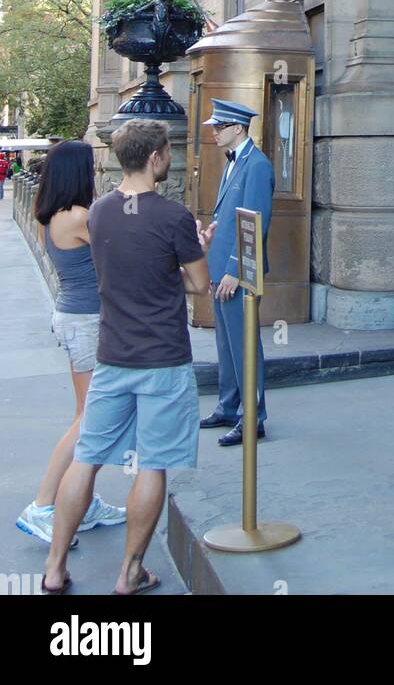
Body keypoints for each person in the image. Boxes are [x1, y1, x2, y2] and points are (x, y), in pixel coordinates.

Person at [41, 120, 212, 595]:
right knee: (153, 464)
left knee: (88, 458)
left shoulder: (98, 213)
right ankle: (129, 572)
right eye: (166, 154)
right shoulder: (174, 216)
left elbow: (126, 272)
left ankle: (54, 568)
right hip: (162, 359)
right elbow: (198, 285)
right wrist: (200, 250)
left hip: (112, 355)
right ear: (157, 157)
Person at [16, 141, 126, 545]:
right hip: (86, 321)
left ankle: (84, 500)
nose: (97, 171)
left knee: (88, 414)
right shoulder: (79, 216)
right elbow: (120, 253)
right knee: (87, 420)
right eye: (92, 165)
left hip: (73, 317)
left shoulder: (48, 215)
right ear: (78, 173)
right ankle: (43, 504)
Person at [198, 99, 274, 447]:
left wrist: (233, 270)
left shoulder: (256, 165)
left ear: (238, 129)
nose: (214, 132)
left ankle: (252, 417)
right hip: (223, 268)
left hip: (239, 272)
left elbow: (255, 224)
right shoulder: (234, 162)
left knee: (244, 346)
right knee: (227, 345)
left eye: (219, 126)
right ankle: (229, 407)